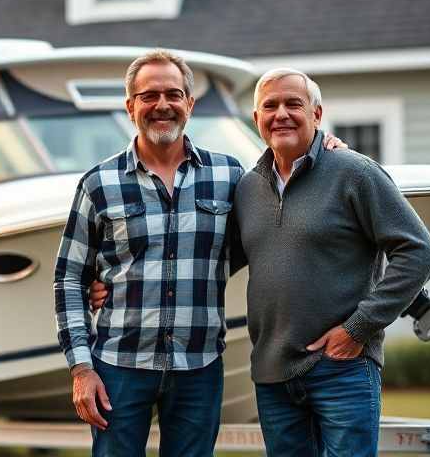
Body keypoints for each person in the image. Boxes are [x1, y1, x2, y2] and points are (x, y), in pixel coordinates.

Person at [54, 51, 342, 456]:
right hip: (118, 366)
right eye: (149, 95)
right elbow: (68, 278)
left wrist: (325, 151)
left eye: (173, 94)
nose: (162, 105)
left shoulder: (230, 176)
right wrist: (81, 368)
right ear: (130, 105)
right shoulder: (98, 183)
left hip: (199, 367)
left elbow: (280, 206)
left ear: (189, 104)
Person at [234, 68, 430, 456]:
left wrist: (358, 328)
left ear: (317, 113)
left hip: (341, 369)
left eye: (294, 103)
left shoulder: (354, 172)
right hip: (272, 375)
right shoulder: (246, 189)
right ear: (256, 118)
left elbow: (418, 251)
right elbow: (215, 260)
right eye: (269, 105)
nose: (281, 114)